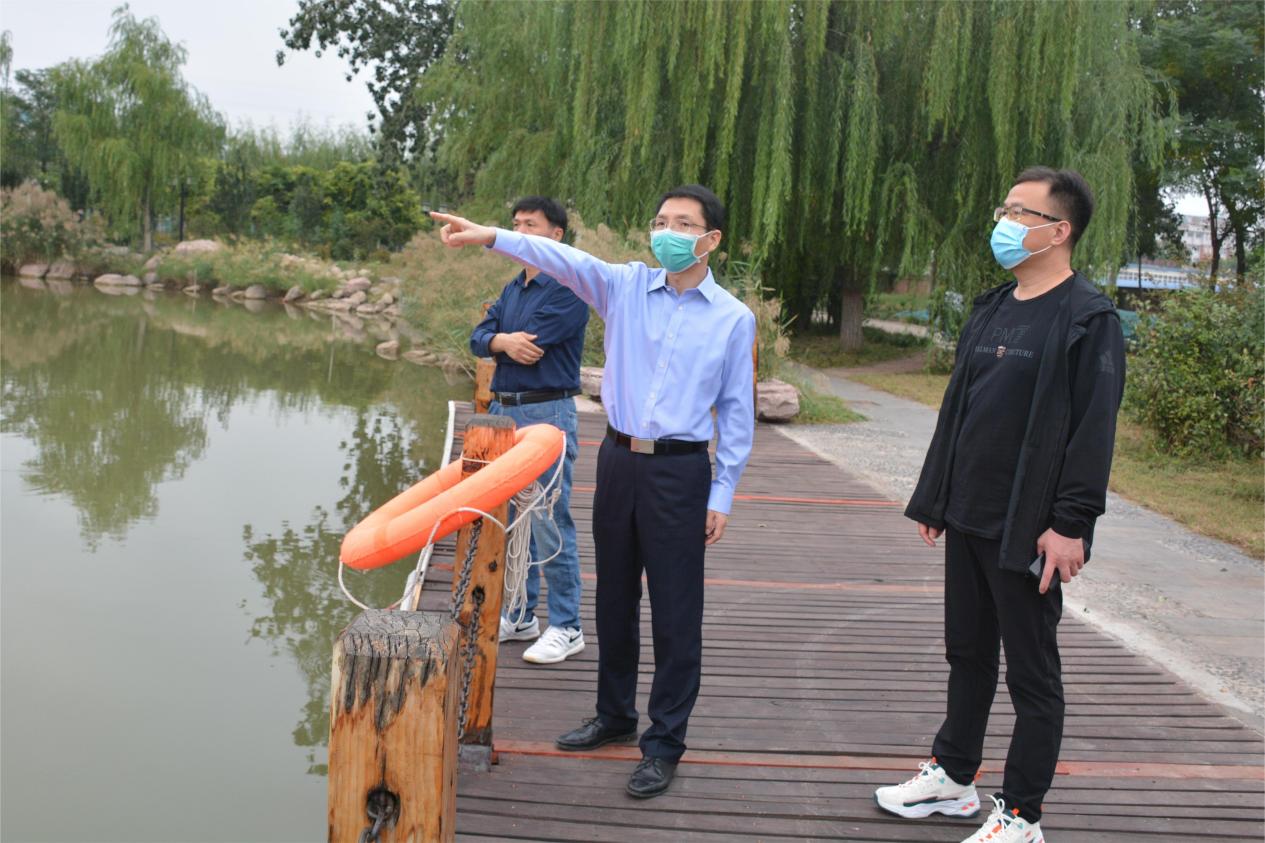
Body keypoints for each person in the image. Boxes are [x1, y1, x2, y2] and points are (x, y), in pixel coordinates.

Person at [433, 184, 756, 799]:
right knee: (613, 598)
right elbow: (562, 258)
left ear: (711, 240)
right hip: (618, 459)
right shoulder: (624, 286)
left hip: (681, 472)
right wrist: (492, 237)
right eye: (660, 221)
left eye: (683, 224)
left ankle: (664, 743)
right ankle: (614, 715)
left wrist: (723, 493)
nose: (667, 232)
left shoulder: (733, 319)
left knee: (675, 612)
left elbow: (737, 414)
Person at [876, 167, 1125, 843]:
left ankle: (1021, 813)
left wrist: (1070, 524)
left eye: (1020, 213)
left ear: (1059, 230)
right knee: (967, 652)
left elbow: (1092, 431)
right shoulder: (992, 306)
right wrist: (936, 496)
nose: (1004, 223)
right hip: (968, 513)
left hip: (1029, 525)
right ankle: (953, 778)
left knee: (1032, 672)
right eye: (1004, 210)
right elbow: (960, 408)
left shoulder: (1087, 318)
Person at [469, 196, 590, 664]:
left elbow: (532, 346)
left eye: (530, 225)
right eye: (515, 224)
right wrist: (500, 340)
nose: (519, 232)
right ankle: (520, 615)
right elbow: (480, 338)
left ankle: (567, 625)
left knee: (548, 519)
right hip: (504, 412)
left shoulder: (569, 286)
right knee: (512, 521)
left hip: (546, 413)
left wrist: (495, 342)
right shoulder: (513, 287)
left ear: (556, 235)